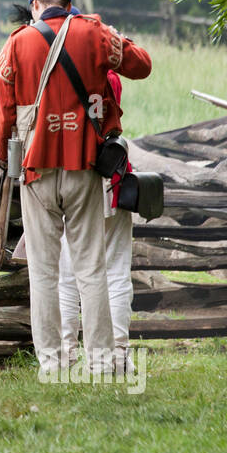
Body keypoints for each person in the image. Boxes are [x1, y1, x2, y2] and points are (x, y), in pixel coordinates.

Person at [0, 0, 152, 375]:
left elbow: (5, 115)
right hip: (84, 166)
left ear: (35, 5)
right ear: (68, 0)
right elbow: (142, 66)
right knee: (92, 269)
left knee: (44, 273)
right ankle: (100, 362)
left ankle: (52, 364)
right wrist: (116, 35)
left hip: (35, 170)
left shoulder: (16, 43)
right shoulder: (94, 33)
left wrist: (2, 157)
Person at [59, 63, 135, 371]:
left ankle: (66, 354)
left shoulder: (56, 76)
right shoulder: (111, 76)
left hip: (73, 176)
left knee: (67, 273)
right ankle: (116, 354)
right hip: (109, 176)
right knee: (115, 272)